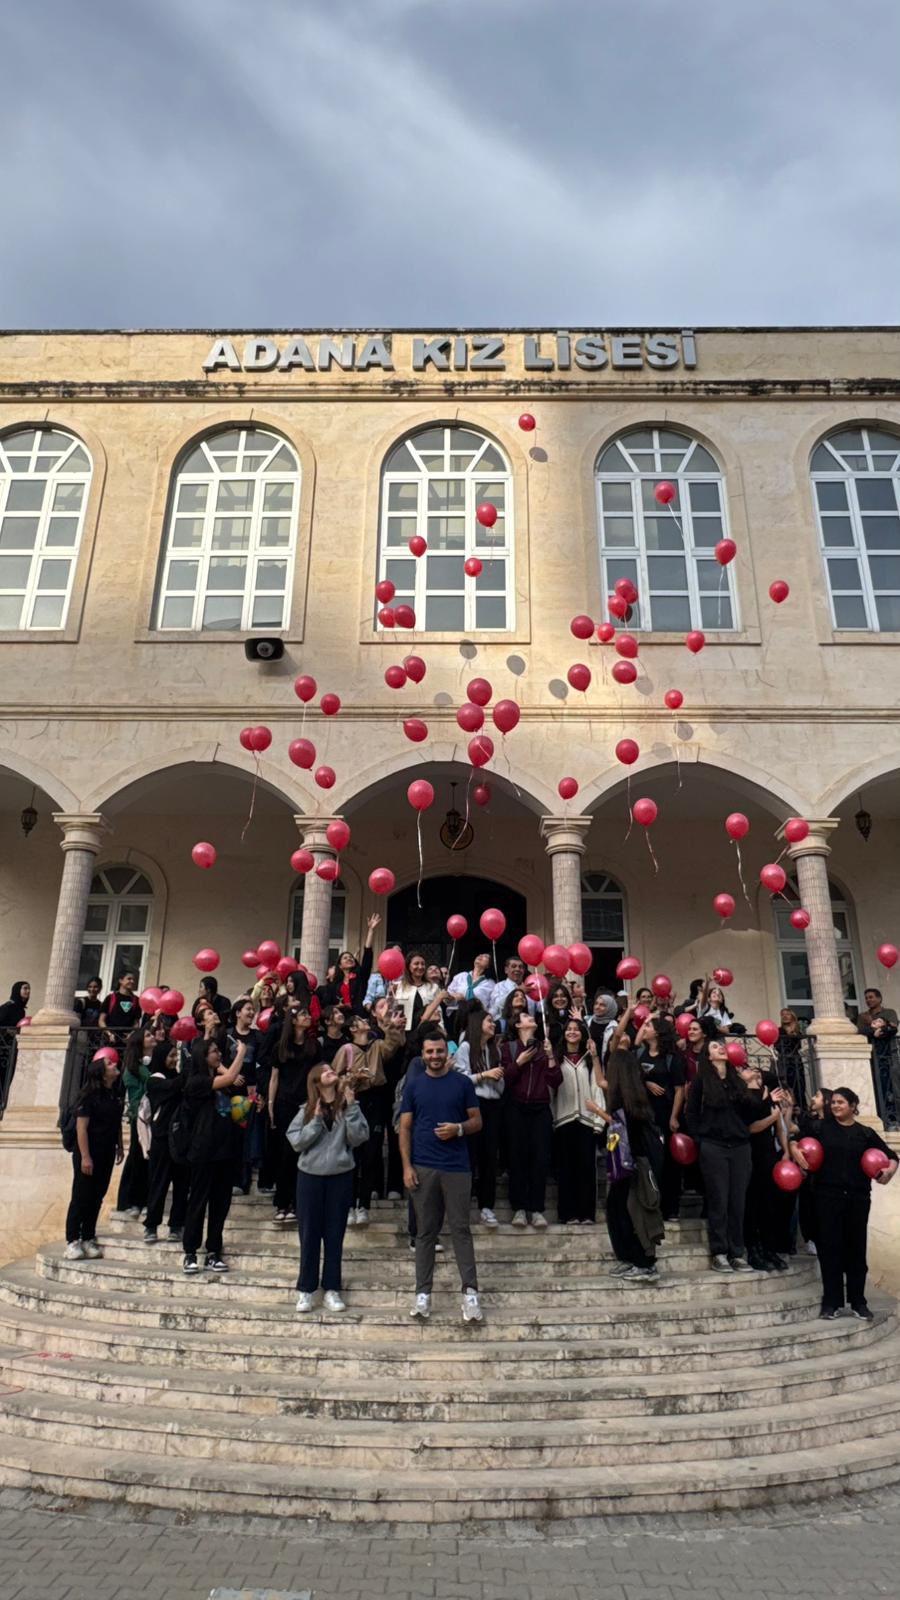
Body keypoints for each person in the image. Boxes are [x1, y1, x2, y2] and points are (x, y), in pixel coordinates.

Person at [791, 1086, 898, 1320]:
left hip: (858, 1198)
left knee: (856, 1251)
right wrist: (798, 1156)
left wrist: (888, 1173)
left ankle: (858, 1302)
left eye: (841, 1102)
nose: (836, 1106)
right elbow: (795, 1141)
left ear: (853, 1106)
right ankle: (832, 1303)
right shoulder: (820, 1128)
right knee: (830, 1250)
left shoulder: (865, 1133)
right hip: (827, 1197)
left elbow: (892, 1157)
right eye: (834, 1102)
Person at [399, 1032, 483, 1323]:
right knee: (425, 1233)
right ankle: (423, 1295)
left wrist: (458, 1129)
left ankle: (470, 1294)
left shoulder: (462, 1083)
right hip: (423, 1166)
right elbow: (405, 1127)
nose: (434, 1056)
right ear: (423, 1054)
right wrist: (407, 1166)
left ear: (447, 1054)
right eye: (429, 1051)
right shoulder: (414, 1085)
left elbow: (477, 1120)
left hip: (457, 1167)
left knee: (461, 1230)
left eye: (439, 1051)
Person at [287, 1063, 369, 1313]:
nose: (330, 1071)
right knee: (309, 1234)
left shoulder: (348, 1107)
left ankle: (332, 1288)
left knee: (335, 1234)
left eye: (331, 1068)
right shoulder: (307, 1110)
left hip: (340, 1176)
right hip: (310, 1177)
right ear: (316, 1081)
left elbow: (359, 1138)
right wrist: (316, 1121)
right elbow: (296, 1141)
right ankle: (306, 1289)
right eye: (324, 1070)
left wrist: (352, 1105)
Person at [685, 1039, 762, 1271]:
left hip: (739, 1146)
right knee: (719, 1199)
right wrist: (701, 1138)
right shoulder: (702, 1080)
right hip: (713, 1146)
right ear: (709, 1057)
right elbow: (691, 1112)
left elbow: (751, 1111)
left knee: (738, 1201)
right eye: (715, 1047)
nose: (721, 1048)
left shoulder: (737, 1080)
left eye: (722, 1046)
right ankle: (719, 1251)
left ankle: (737, 1252)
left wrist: (751, 1086)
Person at [181, 1036, 247, 1274]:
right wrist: (242, 1051)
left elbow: (232, 1084)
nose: (218, 1054)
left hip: (225, 1150)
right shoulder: (196, 1082)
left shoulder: (220, 1083)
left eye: (219, 1051)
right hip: (203, 1151)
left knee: (220, 1204)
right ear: (202, 1056)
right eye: (213, 1052)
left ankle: (213, 1251)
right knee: (198, 1202)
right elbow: (230, 1077)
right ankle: (190, 1251)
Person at [333, 1010, 405, 1224]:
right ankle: (348, 1204)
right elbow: (335, 1080)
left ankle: (363, 1204)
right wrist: (354, 1078)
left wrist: (391, 1026)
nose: (366, 1022)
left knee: (371, 1153)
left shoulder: (376, 1046)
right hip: (354, 1101)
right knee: (352, 1155)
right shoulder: (345, 1050)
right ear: (353, 1029)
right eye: (361, 1020)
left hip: (377, 1101)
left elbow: (394, 1045)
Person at [603, 1047, 664, 1281]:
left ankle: (643, 1261)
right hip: (629, 1164)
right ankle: (627, 1258)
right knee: (617, 1210)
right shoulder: (634, 1100)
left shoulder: (627, 1104)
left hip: (632, 1166)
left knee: (630, 1213)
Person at [500, 1010, 561, 1227]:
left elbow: (555, 1080)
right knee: (517, 1158)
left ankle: (536, 1209)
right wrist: (519, 1062)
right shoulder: (509, 1048)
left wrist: (551, 1056)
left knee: (540, 1159)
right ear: (518, 1025)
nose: (531, 1018)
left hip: (540, 1108)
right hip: (516, 1108)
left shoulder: (544, 1049)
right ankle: (518, 1208)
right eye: (526, 1017)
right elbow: (505, 1078)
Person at [64, 1052, 124, 1259]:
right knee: (81, 1195)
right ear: (101, 1073)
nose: (114, 1063)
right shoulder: (88, 1097)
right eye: (109, 1063)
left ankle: (88, 1236)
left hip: (107, 1151)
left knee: (97, 1196)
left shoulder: (114, 1094)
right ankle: (72, 1239)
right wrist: (86, 1157)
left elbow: (115, 1123)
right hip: (89, 1152)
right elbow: (82, 1129)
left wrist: (120, 1146)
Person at [268, 1006, 322, 1221]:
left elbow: (318, 1074)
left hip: (307, 1102)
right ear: (293, 1020)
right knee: (284, 1154)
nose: (307, 1017)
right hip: (284, 1102)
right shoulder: (280, 1047)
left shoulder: (314, 1046)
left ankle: (300, 1203)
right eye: (303, 1014)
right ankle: (282, 1202)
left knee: (303, 1153)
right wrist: (271, 1104)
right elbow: (274, 1077)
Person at [551, 1018, 606, 1225]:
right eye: (569, 1029)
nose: (572, 1032)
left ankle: (587, 1213)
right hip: (563, 1119)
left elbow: (597, 1087)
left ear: (582, 1034)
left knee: (586, 1169)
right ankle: (568, 1213)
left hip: (586, 1119)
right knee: (566, 1168)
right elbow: (551, 1090)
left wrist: (598, 1121)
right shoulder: (556, 1058)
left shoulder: (589, 1059)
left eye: (576, 1029)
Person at [454, 1006, 504, 1227]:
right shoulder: (465, 1047)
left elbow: (501, 1083)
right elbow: (461, 1079)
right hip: (473, 1105)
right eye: (489, 1021)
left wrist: (496, 1079)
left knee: (489, 1157)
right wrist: (484, 1075)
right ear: (477, 1024)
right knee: (471, 1155)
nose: (493, 1025)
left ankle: (487, 1206)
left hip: (493, 1104)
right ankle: (463, 1205)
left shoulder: (495, 1051)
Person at [634, 1014, 686, 1222]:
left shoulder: (672, 1057)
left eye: (648, 1026)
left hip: (665, 1115)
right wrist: (646, 1083)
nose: (644, 1028)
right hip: (645, 1116)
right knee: (649, 1162)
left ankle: (670, 1208)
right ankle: (649, 1205)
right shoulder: (640, 1054)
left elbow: (679, 1089)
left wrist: (674, 1117)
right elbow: (634, 1076)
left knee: (669, 1163)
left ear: (657, 1031)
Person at [143, 1038, 189, 1245]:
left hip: (179, 1138)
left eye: (175, 1056)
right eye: (170, 1056)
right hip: (161, 1138)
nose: (173, 1060)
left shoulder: (179, 1078)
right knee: (158, 1183)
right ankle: (151, 1224)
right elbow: (172, 1087)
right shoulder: (155, 1080)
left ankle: (176, 1225)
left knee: (181, 1183)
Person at [115, 1026, 152, 1217]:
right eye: (148, 1035)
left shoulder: (149, 1063)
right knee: (138, 1158)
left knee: (143, 1158)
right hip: (139, 1116)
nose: (152, 1037)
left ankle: (138, 1199)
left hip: (150, 1116)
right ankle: (132, 1200)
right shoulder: (134, 1066)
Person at [227, 997, 261, 1195]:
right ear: (237, 1013)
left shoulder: (257, 1036)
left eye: (253, 1010)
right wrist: (230, 1075)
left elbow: (260, 1063)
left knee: (244, 1137)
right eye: (247, 1009)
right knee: (228, 1136)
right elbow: (219, 1060)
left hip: (249, 1092)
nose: (251, 1013)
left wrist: (254, 1086)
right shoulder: (228, 1035)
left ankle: (242, 1181)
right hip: (229, 1089)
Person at [856, 987, 900, 1130]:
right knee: (877, 1087)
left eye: (871, 997)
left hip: (889, 1054)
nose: (869, 1000)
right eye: (867, 998)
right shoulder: (863, 1016)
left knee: (894, 1087)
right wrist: (874, 1029)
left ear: (879, 998)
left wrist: (877, 1029)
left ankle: (895, 1120)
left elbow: (892, 1028)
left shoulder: (889, 1012)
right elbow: (861, 1031)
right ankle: (884, 1119)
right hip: (873, 1056)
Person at [317, 915, 379, 1010]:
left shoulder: (360, 976)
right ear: (340, 966)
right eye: (345, 958)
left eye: (351, 957)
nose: (349, 959)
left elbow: (367, 955)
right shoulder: (336, 983)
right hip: (343, 1019)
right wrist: (337, 1006)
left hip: (359, 1017)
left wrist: (371, 930)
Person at [393, 952, 442, 1031]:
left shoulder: (433, 987)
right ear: (409, 966)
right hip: (406, 1032)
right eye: (416, 964)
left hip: (429, 1031)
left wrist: (441, 1029)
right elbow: (395, 1009)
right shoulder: (400, 987)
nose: (420, 967)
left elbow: (438, 1010)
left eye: (423, 964)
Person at [776, 1009, 808, 1105]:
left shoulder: (798, 1032)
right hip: (784, 1060)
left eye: (787, 1014)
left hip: (796, 1061)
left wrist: (794, 1034)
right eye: (783, 1015)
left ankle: (801, 1109)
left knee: (799, 1086)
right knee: (786, 1085)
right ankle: (790, 1108)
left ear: (792, 1016)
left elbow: (799, 1046)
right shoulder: (779, 1031)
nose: (785, 1016)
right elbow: (777, 1046)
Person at [588, 991, 619, 1063]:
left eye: (602, 1005)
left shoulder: (615, 1027)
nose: (597, 1007)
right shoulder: (587, 1021)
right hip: (588, 1066)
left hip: (607, 1066)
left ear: (610, 1008)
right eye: (596, 1003)